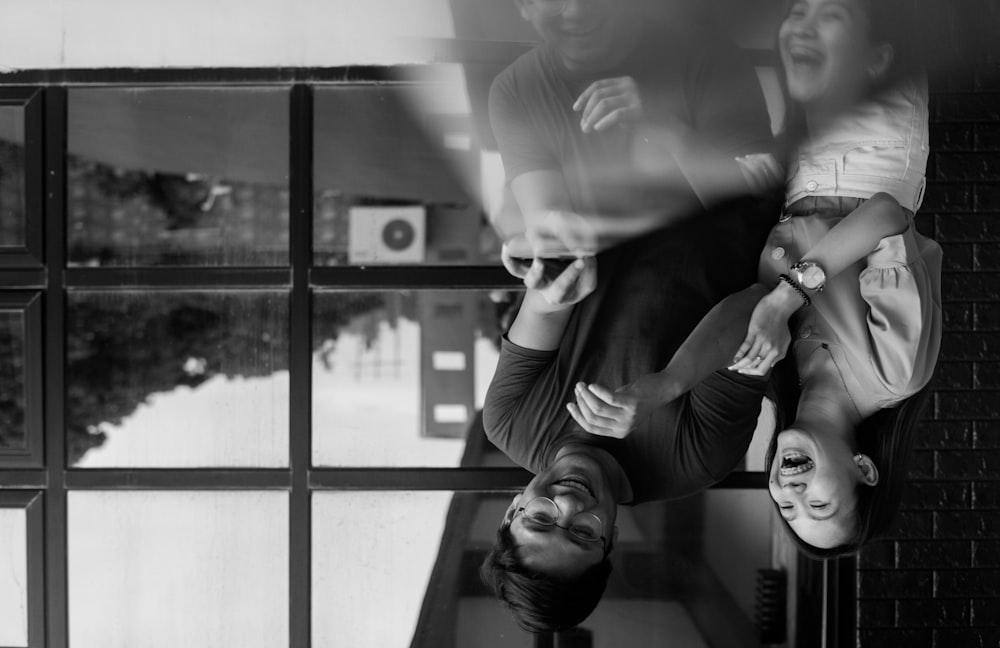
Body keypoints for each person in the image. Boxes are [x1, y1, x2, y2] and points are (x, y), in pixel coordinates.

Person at [574, 0, 942, 559]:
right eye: (818, 504)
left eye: (786, 509)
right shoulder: (895, 376)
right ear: (863, 469)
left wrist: (666, 386)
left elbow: (749, 302)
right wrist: (787, 295)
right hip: (872, 150)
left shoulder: (781, 382)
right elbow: (887, 216)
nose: (790, 492)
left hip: (802, 168)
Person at [479, 1, 781, 631]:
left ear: (512, 509)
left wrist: (547, 267)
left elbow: (549, 291)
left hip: (597, 155)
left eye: (540, 520)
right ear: (611, 540)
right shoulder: (696, 460)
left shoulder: (511, 423)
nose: (568, 503)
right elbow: (758, 306)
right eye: (583, 534)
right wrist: (669, 383)